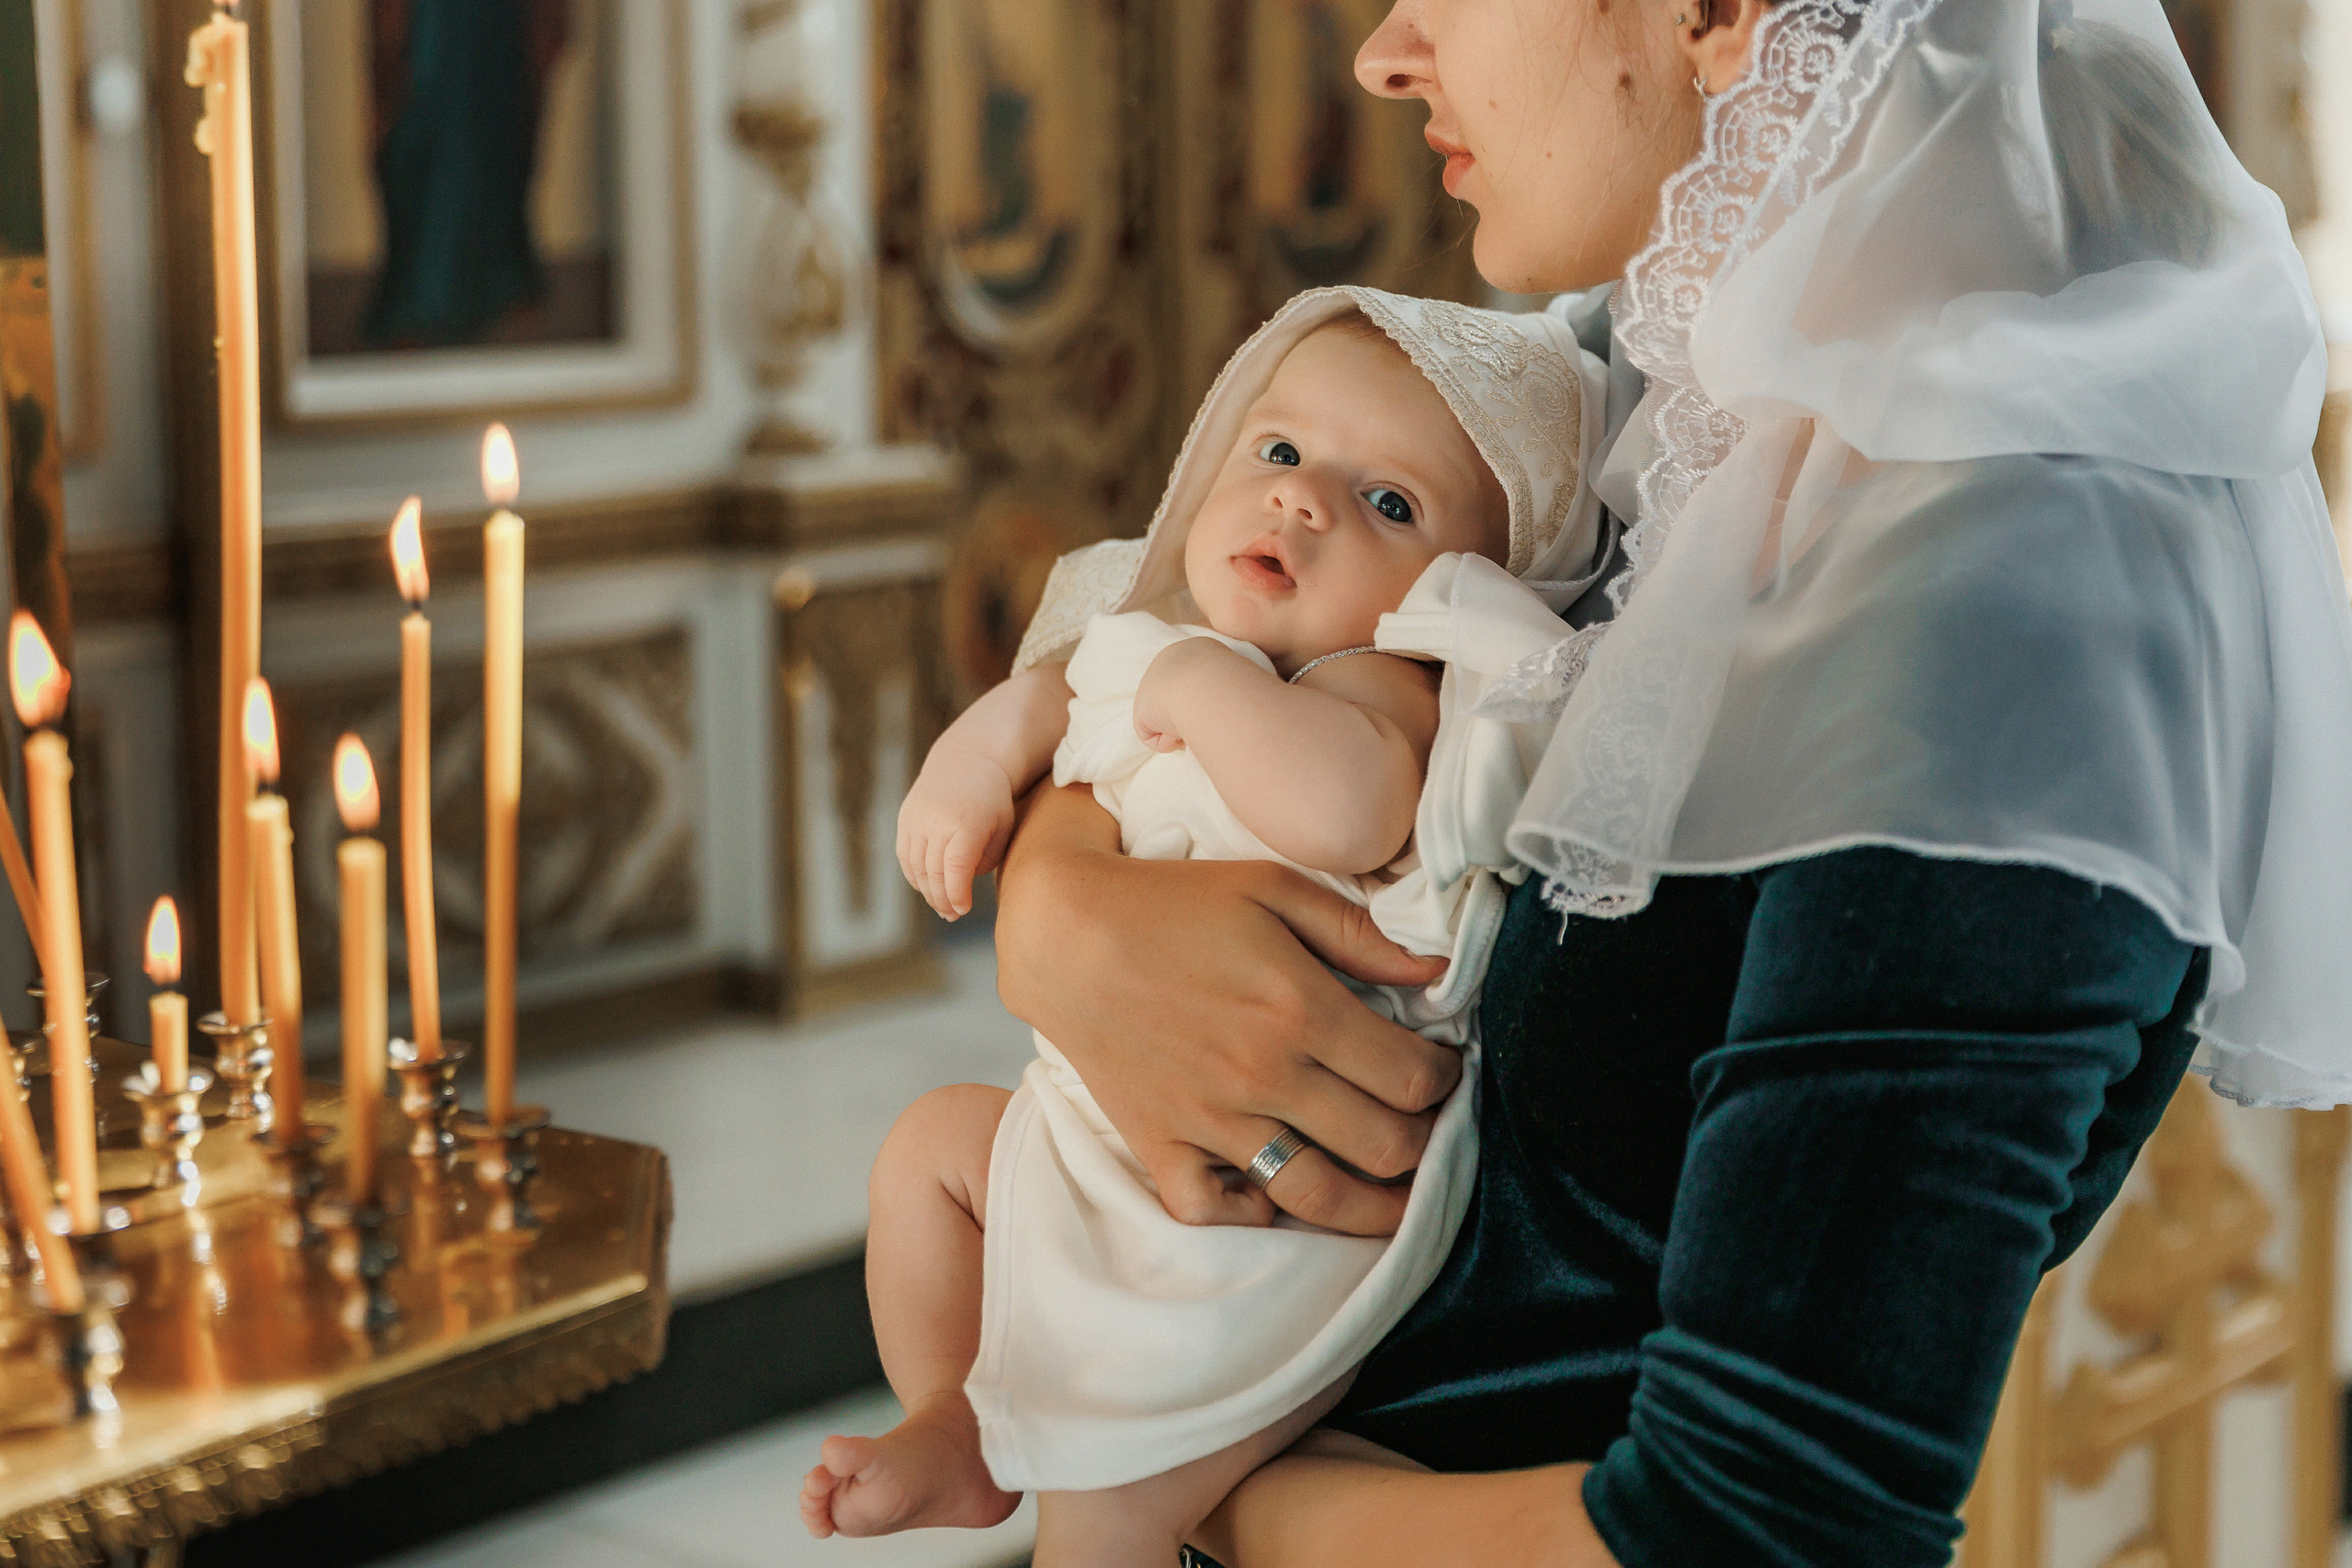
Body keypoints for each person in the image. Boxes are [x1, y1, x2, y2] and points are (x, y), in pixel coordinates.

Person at [984, 0, 2352, 1563]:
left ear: (1711, 12)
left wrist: (1152, 1468)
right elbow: (1171, 623)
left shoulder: (2010, 628)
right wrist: (1068, 906)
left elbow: (1752, 1532)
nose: (1382, 51)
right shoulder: (1687, 375)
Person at [801, 290, 1612, 1565]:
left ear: (1469, 585)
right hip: (1104, 1120)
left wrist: (1191, 684)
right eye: (1279, 454)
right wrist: (964, 779)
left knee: (1112, 1505)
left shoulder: (1385, 689)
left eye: (1387, 503)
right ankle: (958, 1421)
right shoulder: (1142, 636)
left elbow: (1339, 812)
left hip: (1270, 1208)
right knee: (928, 1160)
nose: (1304, 502)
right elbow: (1033, 713)